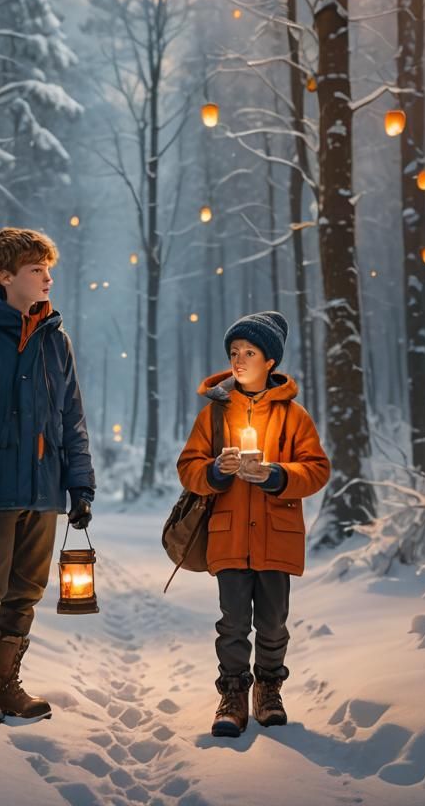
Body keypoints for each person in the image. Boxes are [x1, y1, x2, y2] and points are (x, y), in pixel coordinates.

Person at [0, 227, 96, 723]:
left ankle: (7, 684)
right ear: (7, 277)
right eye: (36, 270)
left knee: (27, 589)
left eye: (48, 268)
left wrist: (80, 483)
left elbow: (71, 416)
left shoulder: (57, 340)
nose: (47, 277)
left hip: (45, 488)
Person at [176, 310, 330, 737]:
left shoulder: (293, 417)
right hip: (228, 535)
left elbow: (317, 470)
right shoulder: (214, 416)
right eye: (234, 352)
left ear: (270, 362)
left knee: (273, 620)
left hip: (276, 537)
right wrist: (215, 471)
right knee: (232, 621)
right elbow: (188, 468)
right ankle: (232, 695)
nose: (239, 359)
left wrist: (278, 475)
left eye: (249, 352)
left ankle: (268, 689)